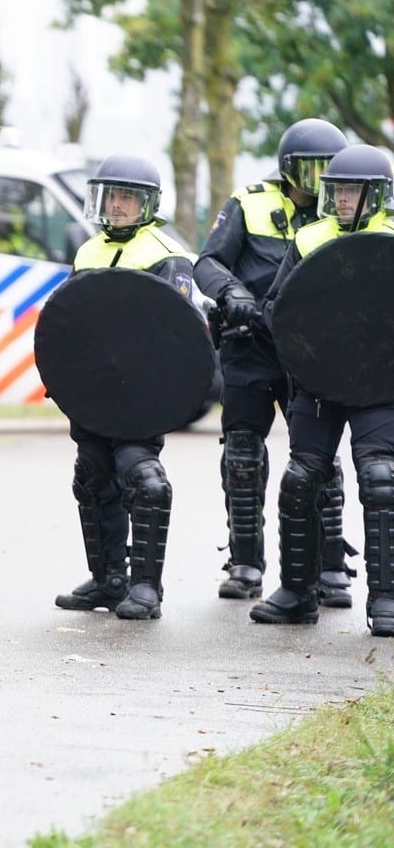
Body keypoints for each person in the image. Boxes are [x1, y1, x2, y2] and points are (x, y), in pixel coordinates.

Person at [196, 118, 352, 604]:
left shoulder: (344, 212)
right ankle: (245, 563)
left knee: (317, 457)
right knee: (242, 455)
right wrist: (233, 292)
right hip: (251, 343)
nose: (318, 180)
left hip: (310, 350)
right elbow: (207, 263)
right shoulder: (248, 202)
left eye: (327, 171)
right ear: (288, 169)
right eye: (309, 169)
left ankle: (328, 566)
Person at [251, 144, 394, 637]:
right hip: (317, 383)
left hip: (379, 385)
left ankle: (387, 598)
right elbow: (276, 308)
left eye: (355, 190)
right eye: (338, 190)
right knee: (300, 479)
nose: (345, 199)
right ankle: (296, 593)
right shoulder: (310, 239)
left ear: (377, 194)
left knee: (380, 479)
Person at [53, 155, 194, 620]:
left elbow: (179, 334)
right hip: (94, 391)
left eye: (126, 197)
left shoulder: (166, 255)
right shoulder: (88, 251)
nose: (116, 205)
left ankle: (146, 589)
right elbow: (70, 320)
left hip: (140, 393)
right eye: (110, 196)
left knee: (142, 478)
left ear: (147, 204)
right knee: (92, 475)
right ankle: (108, 579)